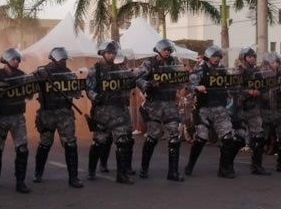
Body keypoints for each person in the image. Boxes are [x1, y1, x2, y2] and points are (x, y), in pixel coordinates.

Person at [184, 46, 245, 178]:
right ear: (207, 57)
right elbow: (188, 85)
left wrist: (234, 87)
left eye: (218, 56)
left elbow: (232, 83)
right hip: (203, 109)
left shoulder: (222, 70)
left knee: (228, 138)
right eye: (214, 56)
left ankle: (224, 168)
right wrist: (197, 87)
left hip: (220, 109)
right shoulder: (200, 70)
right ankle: (190, 164)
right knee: (201, 139)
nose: (216, 59)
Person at [32, 47, 83, 188]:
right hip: (47, 114)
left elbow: (77, 92)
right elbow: (30, 81)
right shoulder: (43, 71)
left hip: (65, 115)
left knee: (71, 144)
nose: (64, 62)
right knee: (45, 144)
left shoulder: (68, 73)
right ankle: (38, 173)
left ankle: (74, 177)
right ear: (54, 59)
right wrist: (38, 75)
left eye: (65, 59)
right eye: (62, 59)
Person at [85, 40, 134, 184]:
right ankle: (91, 170)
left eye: (113, 53)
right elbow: (89, 89)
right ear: (102, 53)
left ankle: (122, 174)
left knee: (123, 142)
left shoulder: (119, 70)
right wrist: (95, 97)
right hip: (102, 112)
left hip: (118, 111)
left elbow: (128, 85)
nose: (111, 55)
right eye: (108, 53)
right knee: (99, 142)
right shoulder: (95, 69)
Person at [136, 39, 185, 181]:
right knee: (153, 136)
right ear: (158, 50)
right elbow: (138, 78)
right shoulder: (149, 63)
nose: (167, 52)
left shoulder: (174, 63)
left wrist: (181, 85)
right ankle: (144, 168)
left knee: (174, 137)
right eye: (165, 50)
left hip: (170, 103)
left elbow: (181, 78)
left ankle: (173, 172)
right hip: (154, 104)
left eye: (169, 50)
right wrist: (148, 85)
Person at [0, 48, 31, 193]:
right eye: (13, 59)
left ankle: (20, 181)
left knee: (22, 149)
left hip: (18, 117)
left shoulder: (22, 76)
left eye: (18, 59)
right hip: (0, 117)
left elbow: (30, 95)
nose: (16, 61)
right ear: (5, 60)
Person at [235, 47, 271, 176]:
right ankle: (226, 163)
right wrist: (248, 92)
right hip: (239, 108)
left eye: (253, 56)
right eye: (249, 56)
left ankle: (257, 165)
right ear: (244, 58)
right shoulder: (238, 71)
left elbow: (264, 87)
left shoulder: (257, 72)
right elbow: (233, 89)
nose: (252, 59)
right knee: (237, 138)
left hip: (253, 108)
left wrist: (265, 93)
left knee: (259, 136)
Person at [260, 52, 281, 173]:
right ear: (268, 63)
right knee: (261, 138)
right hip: (265, 110)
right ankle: (257, 164)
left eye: (278, 62)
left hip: (279, 111)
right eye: (274, 62)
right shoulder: (261, 76)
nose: (276, 64)